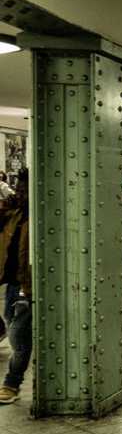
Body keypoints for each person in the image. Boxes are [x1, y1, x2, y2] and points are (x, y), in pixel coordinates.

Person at [0, 171, 30, 404]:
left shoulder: (38, 218)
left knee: (18, 335)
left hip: (27, 284)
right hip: (12, 281)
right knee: (11, 321)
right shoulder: (15, 214)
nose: (19, 192)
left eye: (23, 189)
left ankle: (11, 383)